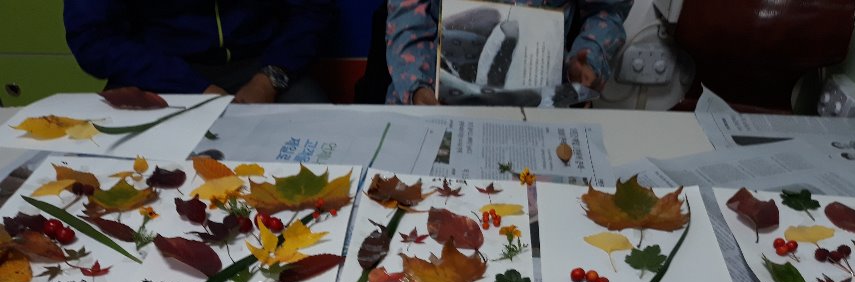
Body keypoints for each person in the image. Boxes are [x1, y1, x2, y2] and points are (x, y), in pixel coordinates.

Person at [63, 0, 337, 103]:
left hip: (263, 64)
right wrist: (194, 87)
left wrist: (269, 79)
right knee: (117, 173)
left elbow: (312, 10)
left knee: (325, 145)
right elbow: (92, 37)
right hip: (155, 71)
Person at [385, 0, 632, 105]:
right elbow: (407, 16)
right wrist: (417, 87)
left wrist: (590, 56)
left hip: (542, 101)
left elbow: (607, 10)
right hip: (434, 95)